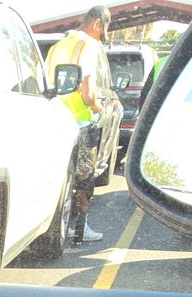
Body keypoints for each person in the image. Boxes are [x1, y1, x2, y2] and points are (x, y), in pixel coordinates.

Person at [44, 6, 113, 246]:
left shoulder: (58, 46)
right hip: (80, 122)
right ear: (97, 24)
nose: (101, 36)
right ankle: (80, 230)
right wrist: (97, 106)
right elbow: (87, 91)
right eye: (102, 31)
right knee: (84, 180)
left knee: (61, 177)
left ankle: (54, 224)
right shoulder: (88, 46)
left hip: (54, 118)